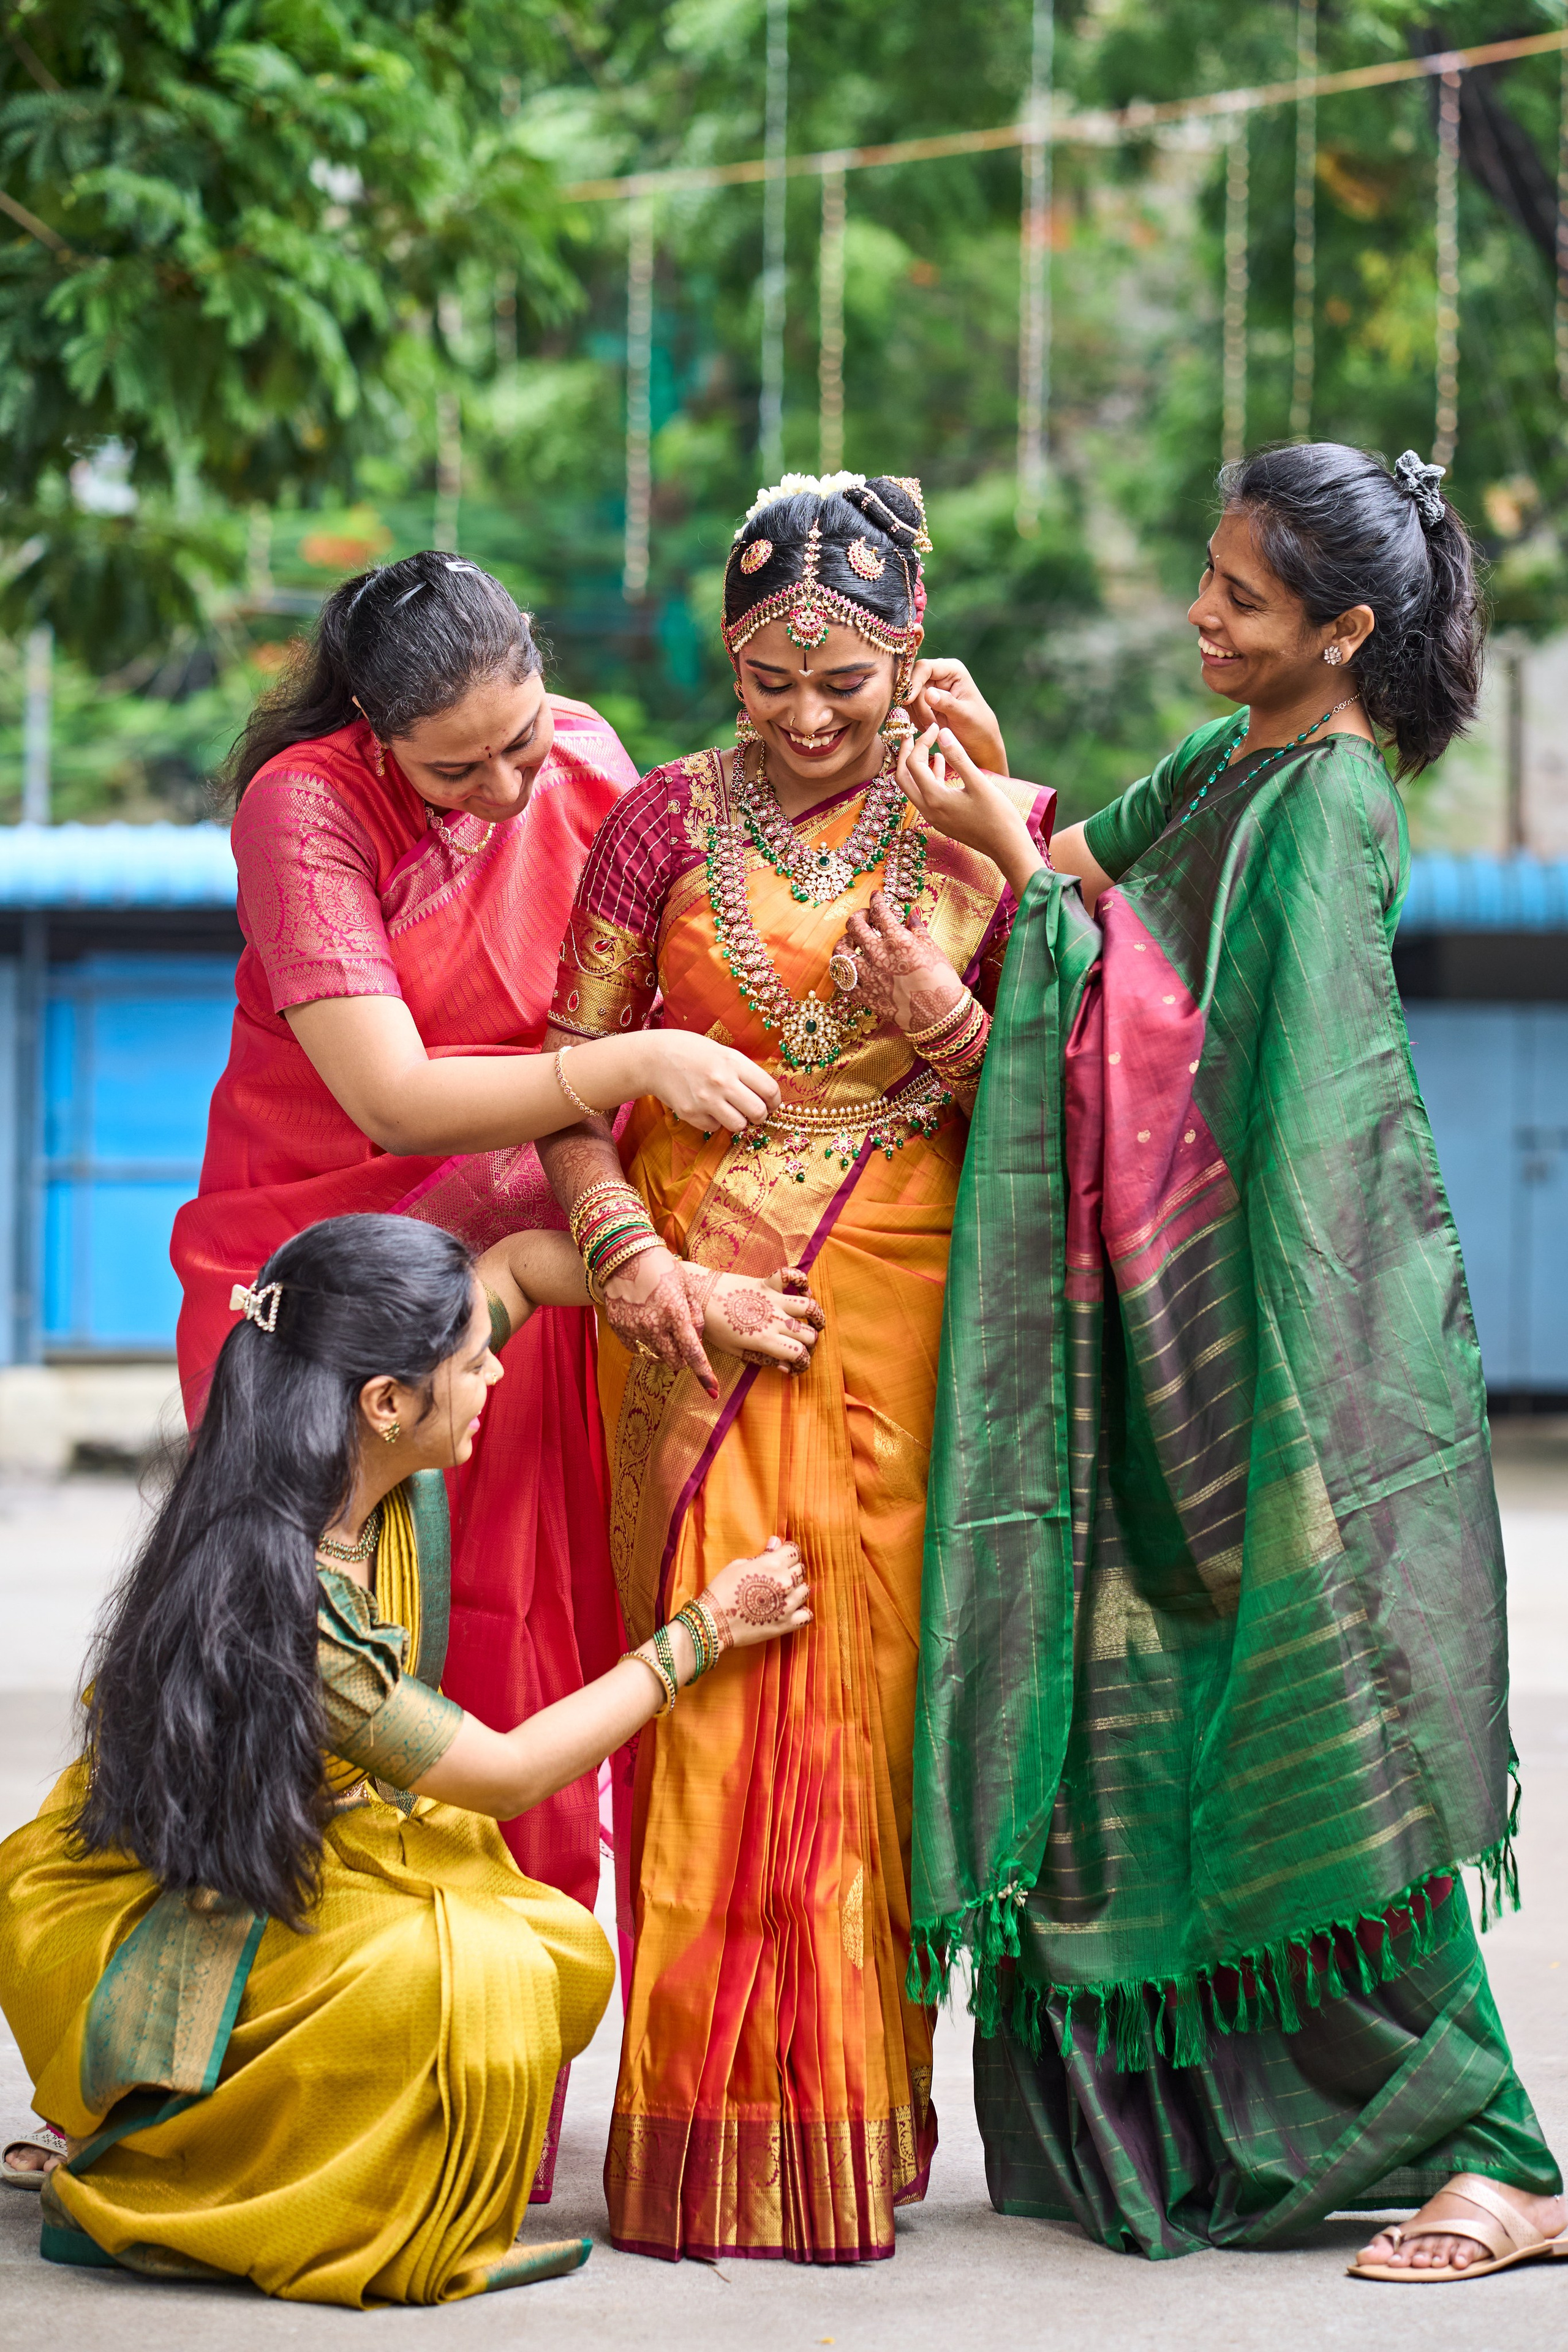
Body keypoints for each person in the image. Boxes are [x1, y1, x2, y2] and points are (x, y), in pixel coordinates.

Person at [903, 443, 1566, 2281]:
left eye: (1242, 599)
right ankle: (1209, 2113)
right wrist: (979, 801)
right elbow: (1072, 886)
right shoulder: (1238, 755)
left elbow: (1275, 1091)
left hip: (1271, 1333)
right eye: (1207, 577)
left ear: (1345, 631)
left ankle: (1501, 2154)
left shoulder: (1335, 802)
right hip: (1168, 1309)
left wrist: (974, 988)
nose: (1201, 615)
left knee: (1318, 1733)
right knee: (1142, 1750)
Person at [539, 470, 1052, 2264]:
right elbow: (571, 1092)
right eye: (774, 678)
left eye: (851, 676)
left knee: (864, 1705)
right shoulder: (659, 828)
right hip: (694, 1326)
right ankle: (690, 2137)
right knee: (711, 1701)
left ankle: (851, 2119)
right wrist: (640, 1265)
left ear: (912, 651)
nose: (815, 715)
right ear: (733, 662)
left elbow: (1096, 1126)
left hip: (905, 1329)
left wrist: (953, 1018)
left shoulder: (997, 824)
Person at [0, 1213, 812, 2304]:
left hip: (315, 1839)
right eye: (473, 1365)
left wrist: (697, 1295)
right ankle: (187, 2163)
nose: (494, 1377)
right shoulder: (295, 1598)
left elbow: (522, 1266)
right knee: (485, 1982)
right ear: (387, 1403)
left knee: (556, 1952)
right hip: (198, 1905)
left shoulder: (334, 1461)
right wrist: (704, 1630)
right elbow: (512, 1771)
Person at [171, 552, 780, 1960]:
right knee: (295, 1651)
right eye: (457, 774)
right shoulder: (305, 807)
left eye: (522, 737)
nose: (511, 788)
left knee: (522, 1624)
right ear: (377, 737)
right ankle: (257, 2000)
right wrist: (627, 1064)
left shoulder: (583, 756)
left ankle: (501, 1994)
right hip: (325, 1285)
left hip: (524, 1266)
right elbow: (389, 1099)